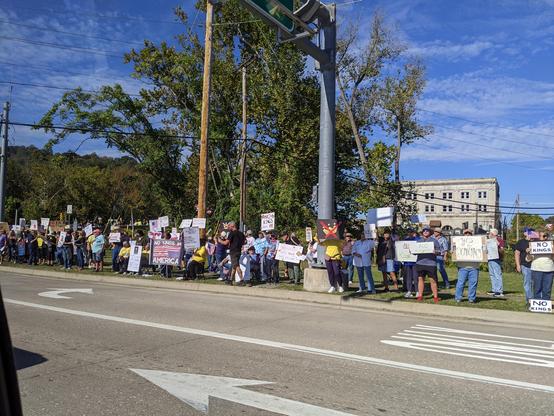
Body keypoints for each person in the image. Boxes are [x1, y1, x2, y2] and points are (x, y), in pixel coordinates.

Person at [415, 226, 441, 303]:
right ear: (422, 232)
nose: (425, 232)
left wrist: (435, 252)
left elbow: (439, 251)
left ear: (430, 232)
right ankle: (420, 296)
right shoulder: (419, 241)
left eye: (427, 231)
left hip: (431, 263)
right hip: (420, 262)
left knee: (432, 280)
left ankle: (435, 297)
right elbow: (415, 251)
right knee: (420, 279)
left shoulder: (434, 241)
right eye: (424, 231)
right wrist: (412, 251)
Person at [454, 229, 481, 304]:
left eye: (469, 233)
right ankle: (458, 297)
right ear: (463, 235)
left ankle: (471, 298)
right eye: (466, 233)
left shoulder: (477, 243)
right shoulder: (458, 242)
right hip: (462, 267)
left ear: (472, 235)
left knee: (473, 283)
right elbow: (454, 251)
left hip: (474, 267)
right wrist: (453, 252)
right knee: (460, 283)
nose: (468, 235)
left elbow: (483, 251)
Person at [528, 232, 554, 301]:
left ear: (547, 237)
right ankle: (537, 305)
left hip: (549, 270)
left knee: (547, 289)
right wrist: (529, 252)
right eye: (541, 236)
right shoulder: (533, 245)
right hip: (536, 269)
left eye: (545, 235)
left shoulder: (551, 245)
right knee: (537, 288)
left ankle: (546, 304)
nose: (543, 237)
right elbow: (527, 259)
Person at [514, 229, 533, 302]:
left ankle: (536, 300)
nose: (530, 234)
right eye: (528, 232)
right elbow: (517, 254)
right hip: (525, 266)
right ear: (525, 233)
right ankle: (529, 300)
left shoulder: (536, 241)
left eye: (531, 232)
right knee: (527, 283)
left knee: (534, 283)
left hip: (535, 266)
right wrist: (518, 265)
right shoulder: (521, 242)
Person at [486, 228, 505, 297]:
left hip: (496, 259)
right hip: (490, 258)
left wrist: (498, 244)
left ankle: (499, 291)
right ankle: (494, 289)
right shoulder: (488, 241)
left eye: (490, 233)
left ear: (493, 234)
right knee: (492, 274)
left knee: (497, 274)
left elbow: (502, 250)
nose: (489, 235)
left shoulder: (499, 240)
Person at [402, 229, 419, 298]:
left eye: (411, 232)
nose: (410, 233)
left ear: (414, 233)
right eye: (408, 232)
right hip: (407, 262)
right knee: (408, 277)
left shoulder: (418, 239)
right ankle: (409, 291)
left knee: (415, 277)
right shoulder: (405, 240)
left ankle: (417, 291)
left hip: (415, 261)